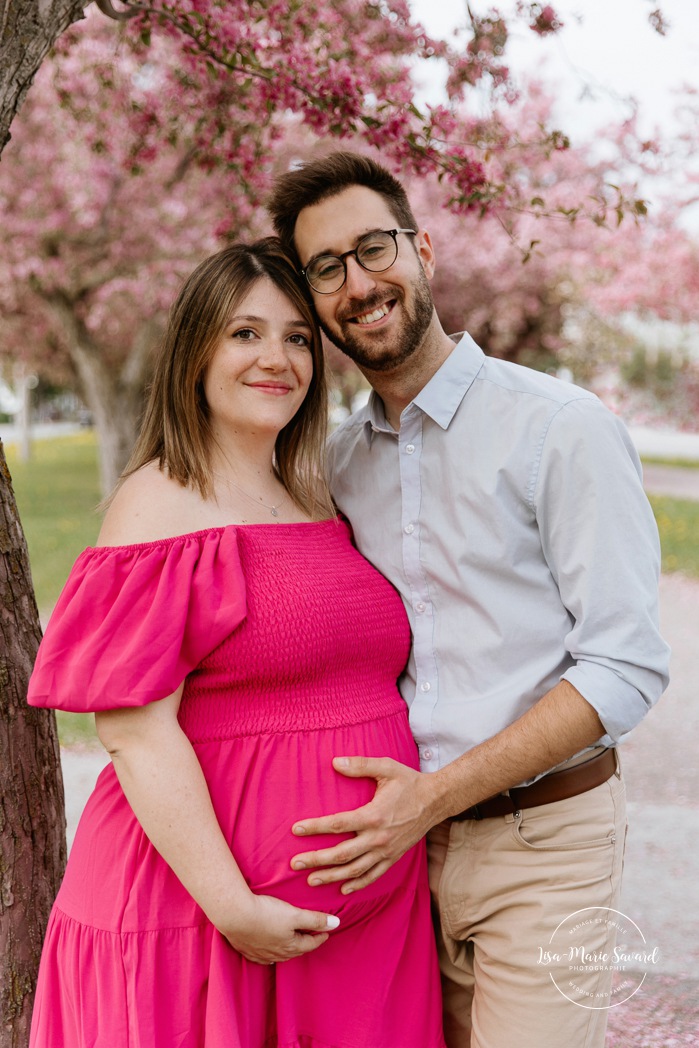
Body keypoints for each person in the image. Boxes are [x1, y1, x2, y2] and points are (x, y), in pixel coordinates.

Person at [267, 153, 671, 1048]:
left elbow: (625, 667)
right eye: (326, 269)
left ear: (423, 250)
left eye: (373, 249)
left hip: (546, 842)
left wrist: (432, 796)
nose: (358, 285)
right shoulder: (334, 465)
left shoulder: (559, 429)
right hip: (401, 858)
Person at [26, 238, 446, 1048]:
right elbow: (133, 729)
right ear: (196, 351)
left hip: (350, 931)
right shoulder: (161, 500)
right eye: (244, 334)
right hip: (200, 915)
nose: (277, 358)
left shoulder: (313, 489)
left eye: (296, 337)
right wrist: (232, 904)